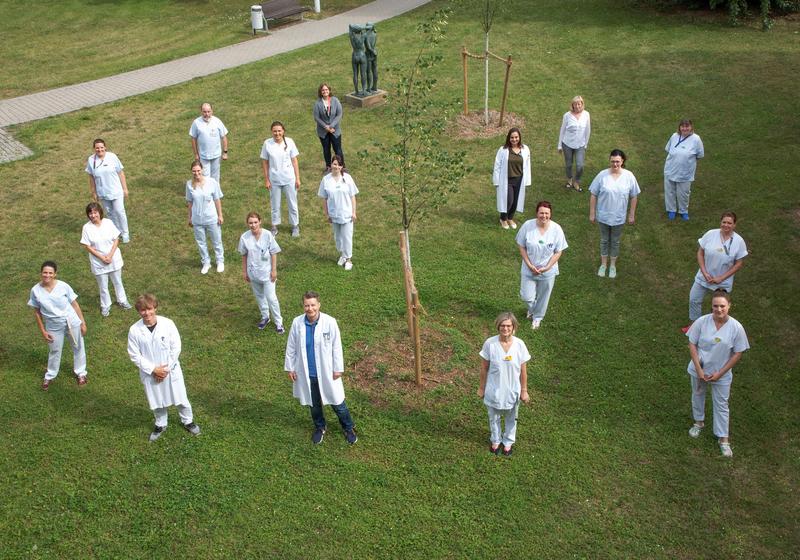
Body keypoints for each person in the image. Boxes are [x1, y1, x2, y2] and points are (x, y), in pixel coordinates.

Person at [285, 291, 357, 445]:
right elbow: (291, 346)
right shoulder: (297, 323)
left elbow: (337, 347)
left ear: (319, 305)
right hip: (307, 373)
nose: (310, 308)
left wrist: (338, 368)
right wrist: (290, 368)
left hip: (327, 372)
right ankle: (320, 427)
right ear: (303, 306)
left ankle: (348, 427)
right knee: (314, 404)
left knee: (338, 403)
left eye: (312, 305)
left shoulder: (329, 322)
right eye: (306, 305)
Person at [127, 294, 201, 442]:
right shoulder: (134, 330)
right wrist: (154, 370)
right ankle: (161, 424)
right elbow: (134, 355)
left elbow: (176, 347)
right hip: (150, 373)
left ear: (155, 308)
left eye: (149, 309)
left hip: (170, 371)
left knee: (181, 398)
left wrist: (164, 370)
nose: (146, 313)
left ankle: (188, 421)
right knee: (156, 400)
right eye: (143, 310)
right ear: (139, 312)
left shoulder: (168, 324)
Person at [686, 290, 748, 457]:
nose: (719, 309)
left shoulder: (736, 327)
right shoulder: (702, 322)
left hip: (721, 374)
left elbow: (738, 353)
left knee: (721, 404)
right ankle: (698, 423)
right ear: (711, 306)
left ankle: (723, 439)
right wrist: (699, 370)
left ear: (729, 306)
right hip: (699, 370)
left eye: (722, 306)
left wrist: (720, 373)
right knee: (698, 394)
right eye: (715, 306)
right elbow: (692, 343)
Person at [28, 261, 88, 390]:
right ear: (41, 273)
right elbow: (37, 312)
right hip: (53, 326)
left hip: (71, 322)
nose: (47, 275)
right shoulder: (35, 290)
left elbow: (75, 304)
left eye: (50, 273)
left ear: (55, 274)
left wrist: (82, 322)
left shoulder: (63, 286)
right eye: (45, 272)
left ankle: (81, 373)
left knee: (78, 347)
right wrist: (43, 331)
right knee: (54, 350)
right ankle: (50, 375)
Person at [478, 312, 530, 456]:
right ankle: (495, 439)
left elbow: (523, 370)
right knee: (493, 417)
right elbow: (484, 368)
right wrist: (481, 388)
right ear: (498, 326)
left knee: (511, 417)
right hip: (494, 388)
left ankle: (508, 442)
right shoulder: (490, 344)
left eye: (508, 325)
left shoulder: (520, 345)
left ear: (513, 327)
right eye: (502, 325)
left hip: (512, 389)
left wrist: (524, 390)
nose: (505, 328)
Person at [685, 211, 747, 332]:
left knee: (719, 307)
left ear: (734, 225)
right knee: (694, 299)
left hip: (722, 282)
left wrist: (721, 278)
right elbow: (700, 252)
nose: (726, 225)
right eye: (724, 222)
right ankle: (694, 326)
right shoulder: (710, 234)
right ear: (720, 222)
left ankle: (715, 328)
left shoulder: (739, 241)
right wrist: (704, 271)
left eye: (729, 223)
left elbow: (739, 263)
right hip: (704, 277)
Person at [515, 201, 568, 329]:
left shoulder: (556, 229)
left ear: (550, 214)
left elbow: (558, 251)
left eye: (546, 213)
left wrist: (548, 267)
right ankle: (532, 308)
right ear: (536, 213)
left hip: (547, 271)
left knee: (544, 296)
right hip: (529, 269)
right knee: (526, 296)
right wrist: (529, 264)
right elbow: (521, 246)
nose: (544, 216)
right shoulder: (528, 225)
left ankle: (537, 317)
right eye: (541, 213)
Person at [588, 149, 640, 278]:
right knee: (604, 240)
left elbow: (634, 196)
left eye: (617, 161)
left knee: (615, 241)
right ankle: (603, 264)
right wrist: (592, 213)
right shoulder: (602, 175)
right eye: (612, 161)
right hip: (603, 215)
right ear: (609, 161)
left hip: (619, 217)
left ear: (622, 161)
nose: (615, 164)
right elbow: (593, 194)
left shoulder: (629, 176)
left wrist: (631, 214)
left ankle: (612, 266)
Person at [80, 202, 131, 317]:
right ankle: (105, 305)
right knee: (103, 286)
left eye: (95, 212)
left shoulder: (108, 223)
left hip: (113, 259)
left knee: (118, 281)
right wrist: (102, 257)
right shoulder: (86, 228)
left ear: (99, 212)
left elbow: (116, 239)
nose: (93, 215)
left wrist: (110, 255)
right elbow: (87, 246)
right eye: (90, 213)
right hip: (99, 262)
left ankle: (122, 300)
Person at [238, 211, 285, 333]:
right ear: (247, 224)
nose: (253, 225)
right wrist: (245, 272)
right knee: (259, 296)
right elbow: (244, 255)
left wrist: (274, 270)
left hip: (267, 273)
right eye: (250, 223)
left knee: (271, 298)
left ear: (260, 222)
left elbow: (273, 252)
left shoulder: (268, 235)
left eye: (255, 222)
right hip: (253, 273)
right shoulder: (244, 237)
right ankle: (265, 317)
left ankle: (279, 322)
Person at [261, 121, 301, 237]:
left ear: (283, 131)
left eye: (279, 131)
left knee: (292, 204)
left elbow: (294, 161)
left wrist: (297, 178)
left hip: (289, 178)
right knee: (275, 204)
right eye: (274, 131)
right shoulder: (267, 144)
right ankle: (274, 226)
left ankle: (295, 226)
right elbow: (265, 162)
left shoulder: (290, 142)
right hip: (274, 180)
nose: (277, 133)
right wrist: (267, 179)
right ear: (271, 132)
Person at [318, 155, 358, 271]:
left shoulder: (348, 178)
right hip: (334, 214)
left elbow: (352, 196)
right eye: (334, 164)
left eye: (338, 165)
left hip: (346, 213)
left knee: (347, 237)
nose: (336, 166)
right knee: (338, 237)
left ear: (341, 166)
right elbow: (324, 198)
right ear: (331, 165)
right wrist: (327, 214)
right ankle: (343, 255)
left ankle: (348, 259)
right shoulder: (326, 180)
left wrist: (354, 212)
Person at [85, 138, 130, 243]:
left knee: (119, 211)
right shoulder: (91, 160)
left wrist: (125, 189)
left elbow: (120, 173)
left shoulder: (112, 157)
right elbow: (91, 177)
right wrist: (94, 192)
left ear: (105, 147)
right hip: (103, 192)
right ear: (94, 149)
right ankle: (116, 233)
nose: (99, 150)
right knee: (110, 214)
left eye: (101, 147)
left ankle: (125, 233)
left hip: (116, 191)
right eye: (97, 148)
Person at [186, 159, 224, 274]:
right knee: (201, 242)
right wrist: (189, 217)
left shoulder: (212, 182)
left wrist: (220, 215)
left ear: (202, 170)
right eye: (194, 171)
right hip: (197, 219)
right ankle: (206, 262)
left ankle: (220, 261)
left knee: (216, 240)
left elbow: (217, 199)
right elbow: (190, 202)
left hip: (211, 217)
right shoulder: (189, 184)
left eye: (198, 170)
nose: (196, 173)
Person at [664, 119, 704, 221]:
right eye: (683, 126)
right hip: (670, 169)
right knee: (670, 191)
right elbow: (668, 149)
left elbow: (700, 155)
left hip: (685, 172)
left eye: (687, 126)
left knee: (684, 193)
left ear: (691, 127)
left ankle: (683, 211)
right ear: (679, 127)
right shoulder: (674, 136)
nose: (685, 128)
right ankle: (671, 210)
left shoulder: (696, 139)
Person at [492, 127, 532, 230]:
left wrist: (527, 180)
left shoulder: (525, 149)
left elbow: (527, 165)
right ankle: (503, 219)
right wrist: (496, 181)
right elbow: (497, 165)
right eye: (512, 137)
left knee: (516, 201)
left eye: (516, 137)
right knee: (508, 200)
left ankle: (510, 218)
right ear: (508, 138)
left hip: (519, 179)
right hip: (507, 180)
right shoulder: (503, 150)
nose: (514, 139)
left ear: (519, 137)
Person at [557, 95, 591, 192]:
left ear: (582, 104)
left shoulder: (586, 114)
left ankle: (576, 181)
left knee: (580, 166)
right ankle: (569, 180)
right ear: (572, 105)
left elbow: (588, 130)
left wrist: (586, 144)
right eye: (575, 104)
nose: (577, 106)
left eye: (579, 104)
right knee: (569, 164)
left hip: (580, 145)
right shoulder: (567, 115)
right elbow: (562, 130)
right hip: (567, 144)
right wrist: (559, 145)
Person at [189, 102, 229, 183]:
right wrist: (196, 154)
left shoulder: (217, 121)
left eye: (208, 111)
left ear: (212, 111)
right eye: (204, 112)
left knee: (215, 177)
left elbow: (224, 137)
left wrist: (225, 152)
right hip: (203, 156)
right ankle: (206, 194)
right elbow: (193, 139)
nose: (207, 114)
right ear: (201, 111)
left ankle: (215, 194)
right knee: (205, 177)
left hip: (216, 155)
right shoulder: (196, 123)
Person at [312, 83, 344, 172]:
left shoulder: (335, 100)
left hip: (335, 130)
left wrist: (331, 126)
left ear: (329, 90)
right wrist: (325, 127)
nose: (325, 91)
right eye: (323, 90)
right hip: (323, 131)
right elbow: (316, 117)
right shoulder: (317, 103)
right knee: (326, 149)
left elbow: (339, 114)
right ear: (320, 92)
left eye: (326, 90)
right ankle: (328, 167)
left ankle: (342, 167)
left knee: (338, 149)